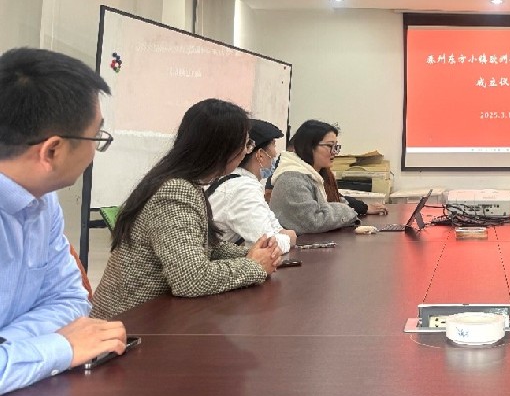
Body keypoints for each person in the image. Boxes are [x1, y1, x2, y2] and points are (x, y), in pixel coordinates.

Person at [0, 47, 126, 394]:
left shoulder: (43, 203)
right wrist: (58, 347)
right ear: (52, 151)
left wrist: (9, 347)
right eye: (96, 137)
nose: (95, 152)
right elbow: (68, 332)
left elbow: (70, 300)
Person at [92, 99, 281, 320]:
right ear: (223, 148)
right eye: (246, 144)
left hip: (154, 316)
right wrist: (253, 265)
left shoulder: (186, 182)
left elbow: (206, 248)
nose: (246, 152)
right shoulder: (176, 191)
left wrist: (255, 255)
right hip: (128, 324)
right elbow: (190, 279)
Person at [207, 119, 297, 254]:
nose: (276, 154)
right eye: (273, 145)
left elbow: (274, 226)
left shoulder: (240, 181)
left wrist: (282, 235)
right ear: (260, 155)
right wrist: (289, 239)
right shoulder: (242, 188)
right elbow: (266, 246)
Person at [269, 120, 362, 233]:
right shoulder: (292, 179)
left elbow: (334, 203)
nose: (334, 152)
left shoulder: (314, 174)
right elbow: (313, 222)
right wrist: (346, 211)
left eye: (336, 147)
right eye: (330, 146)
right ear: (309, 146)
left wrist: (343, 209)